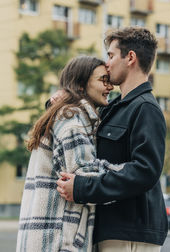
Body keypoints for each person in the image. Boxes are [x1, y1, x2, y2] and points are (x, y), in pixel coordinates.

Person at [56, 27, 168, 252]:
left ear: (130, 58)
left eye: (110, 55)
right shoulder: (114, 108)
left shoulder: (146, 108)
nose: (107, 64)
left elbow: (145, 171)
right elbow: (82, 123)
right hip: (109, 228)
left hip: (131, 232)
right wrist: (59, 102)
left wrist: (82, 188)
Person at [16, 55, 125, 252]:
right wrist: (130, 169)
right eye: (103, 80)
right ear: (81, 85)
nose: (110, 87)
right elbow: (87, 181)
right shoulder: (73, 121)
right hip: (58, 240)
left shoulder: (66, 115)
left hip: (47, 238)